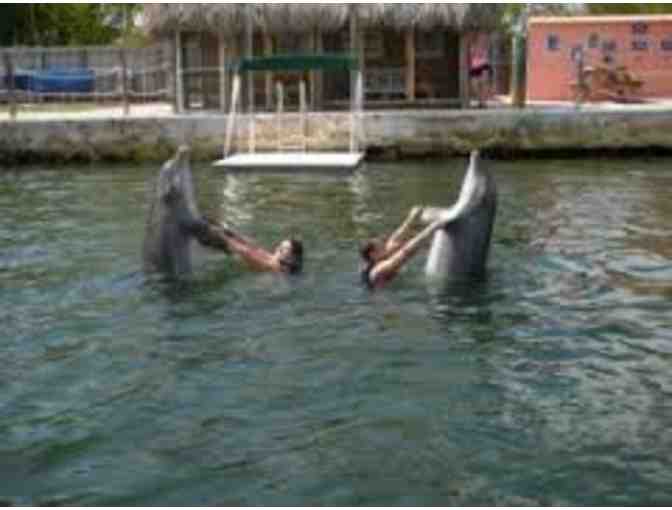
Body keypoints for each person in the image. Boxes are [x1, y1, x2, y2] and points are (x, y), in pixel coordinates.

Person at [359, 206, 447, 290]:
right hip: (385, 297)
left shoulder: (379, 257)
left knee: (396, 244)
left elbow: (396, 238)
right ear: (373, 254)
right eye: (381, 247)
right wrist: (432, 228)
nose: (385, 246)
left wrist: (412, 217)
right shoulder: (379, 270)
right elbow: (406, 252)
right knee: (405, 247)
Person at [203, 219, 304, 275]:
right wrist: (229, 232)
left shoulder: (273, 266)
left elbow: (245, 252)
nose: (278, 248)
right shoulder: (274, 259)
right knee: (253, 247)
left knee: (242, 249)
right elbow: (254, 247)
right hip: (237, 253)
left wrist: (220, 234)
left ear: (292, 256)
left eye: (283, 249)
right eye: (280, 246)